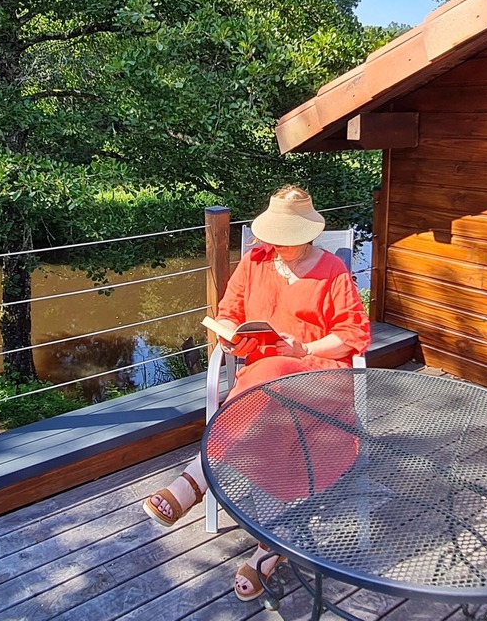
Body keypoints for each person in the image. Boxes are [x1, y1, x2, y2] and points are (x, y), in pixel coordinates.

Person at [140, 185, 371, 602]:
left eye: (288, 237)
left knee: (269, 373)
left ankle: (195, 480)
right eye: (274, 236)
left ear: (309, 233)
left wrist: (303, 348)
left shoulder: (332, 271)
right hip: (264, 382)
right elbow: (230, 313)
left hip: (319, 376)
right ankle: (274, 544)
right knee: (265, 381)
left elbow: (353, 335)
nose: (278, 245)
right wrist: (230, 340)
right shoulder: (254, 262)